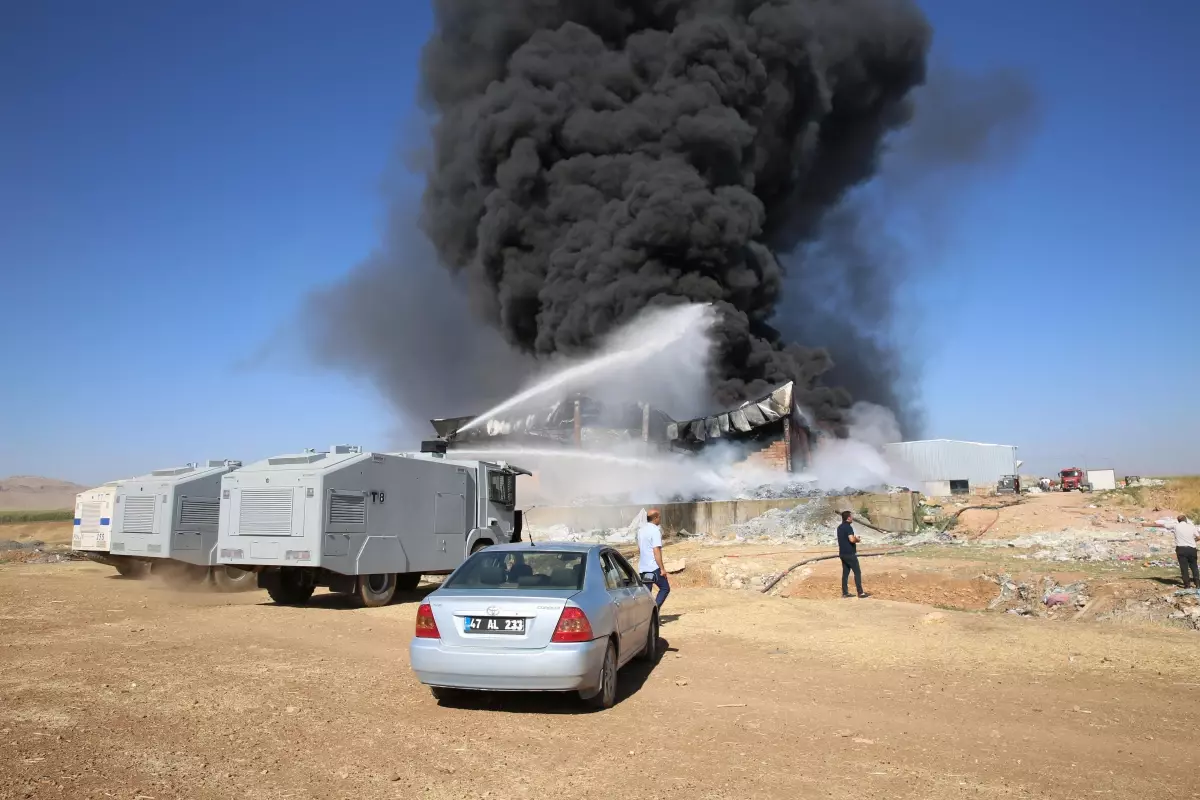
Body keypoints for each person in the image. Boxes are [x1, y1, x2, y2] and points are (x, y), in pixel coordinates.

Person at [1152, 515, 1199, 589]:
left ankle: (1187, 585)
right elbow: (1198, 537)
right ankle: (1197, 584)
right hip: (1192, 549)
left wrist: (1145, 524)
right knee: (1194, 567)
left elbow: (1162, 525)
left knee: (1184, 568)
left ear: (1178, 521)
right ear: (1186, 520)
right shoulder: (1192, 527)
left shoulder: (1175, 526)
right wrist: (1193, 541)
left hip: (1181, 549)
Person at [637, 508, 670, 608]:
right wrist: (662, 569)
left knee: (647, 595)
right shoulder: (655, 531)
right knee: (665, 588)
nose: (660, 518)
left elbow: (639, 549)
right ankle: (654, 611)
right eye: (659, 517)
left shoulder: (641, 530)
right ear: (655, 518)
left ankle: (648, 617)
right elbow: (656, 551)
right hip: (653, 568)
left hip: (643, 568)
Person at [837, 510, 870, 599]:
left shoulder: (839, 527)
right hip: (850, 553)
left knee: (845, 573)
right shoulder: (848, 527)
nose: (852, 518)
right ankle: (861, 593)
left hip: (842, 553)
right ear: (848, 518)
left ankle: (845, 593)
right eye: (851, 516)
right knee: (857, 572)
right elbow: (851, 539)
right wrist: (857, 539)